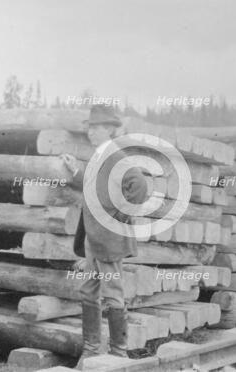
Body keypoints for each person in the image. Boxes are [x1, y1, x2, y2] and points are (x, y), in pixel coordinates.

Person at [60, 104, 148, 369]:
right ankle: (91, 351)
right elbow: (92, 183)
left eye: (96, 128)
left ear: (110, 129)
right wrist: (75, 171)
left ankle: (119, 354)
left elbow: (140, 187)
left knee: (113, 294)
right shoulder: (100, 156)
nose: (91, 132)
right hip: (92, 239)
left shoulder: (117, 156)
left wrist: (119, 218)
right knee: (89, 291)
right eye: (89, 127)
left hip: (108, 240)